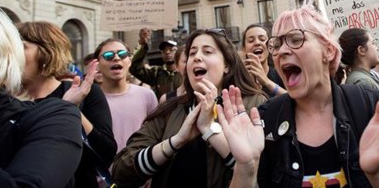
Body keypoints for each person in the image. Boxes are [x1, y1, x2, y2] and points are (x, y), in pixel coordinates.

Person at [214, 0, 379, 187]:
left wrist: (378, 171)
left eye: (296, 39)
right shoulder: (266, 119)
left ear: (328, 50)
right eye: (277, 44)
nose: (281, 51)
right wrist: (245, 167)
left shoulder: (367, 105)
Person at [111, 28, 267, 188]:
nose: (197, 57)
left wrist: (210, 131)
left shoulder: (255, 105)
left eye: (207, 51)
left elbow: (264, 175)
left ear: (226, 65)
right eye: (192, 53)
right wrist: (175, 141)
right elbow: (121, 171)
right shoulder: (170, 108)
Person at [17, 21, 117, 188]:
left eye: (22, 46)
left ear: (47, 52)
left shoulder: (86, 93)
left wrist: (69, 110)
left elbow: (105, 154)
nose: (12, 53)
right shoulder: (3, 99)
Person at [0, 7, 83, 188]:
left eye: (22, 46)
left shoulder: (57, 114)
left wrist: (70, 106)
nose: (16, 52)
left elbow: (105, 147)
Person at [96, 38, 158, 152]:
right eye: (108, 55)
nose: (116, 58)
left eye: (122, 54)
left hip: (139, 167)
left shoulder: (147, 95)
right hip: (102, 168)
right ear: (97, 65)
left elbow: (157, 136)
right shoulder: (90, 100)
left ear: (129, 61)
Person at [338, 27, 379, 100]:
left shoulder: (362, 78)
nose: (377, 48)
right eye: (373, 43)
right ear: (361, 50)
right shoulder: (362, 82)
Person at [130, 28, 181, 99]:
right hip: (163, 109)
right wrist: (143, 46)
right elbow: (134, 68)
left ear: (178, 52)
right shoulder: (156, 73)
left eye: (172, 49)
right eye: (164, 50)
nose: (167, 52)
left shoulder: (186, 71)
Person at [241, 24, 285, 97]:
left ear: (270, 47)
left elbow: (297, 100)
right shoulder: (238, 80)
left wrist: (266, 81)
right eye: (251, 40)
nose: (257, 43)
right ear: (244, 49)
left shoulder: (281, 73)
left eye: (262, 39)